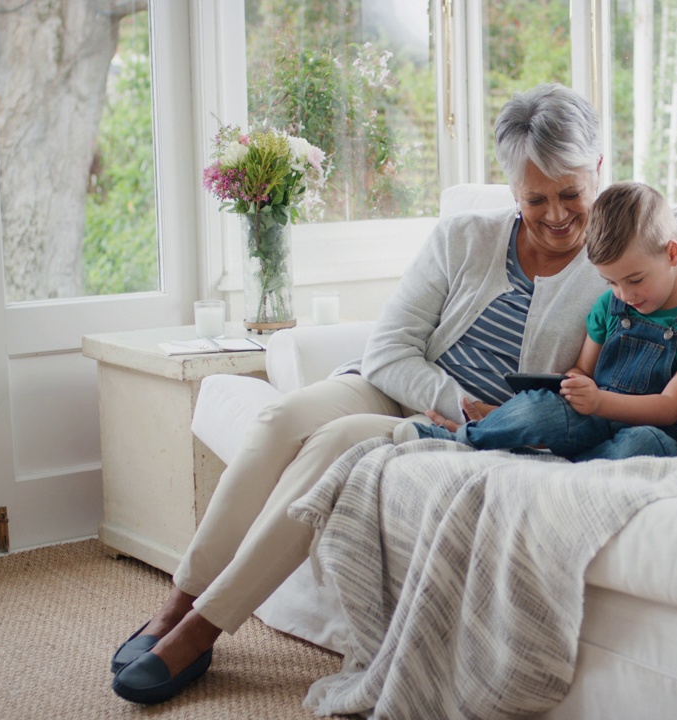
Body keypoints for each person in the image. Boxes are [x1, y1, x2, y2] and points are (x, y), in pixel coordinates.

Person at [110, 83, 608, 705]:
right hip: (394, 386)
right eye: (537, 199)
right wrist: (454, 396)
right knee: (279, 419)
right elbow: (389, 346)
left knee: (332, 448)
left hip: (462, 436)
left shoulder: (613, 266)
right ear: (513, 190)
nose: (557, 214)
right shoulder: (463, 237)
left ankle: (200, 631)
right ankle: (177, 603)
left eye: (572, 194)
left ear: (598, 171)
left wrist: (474, 419)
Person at [406, 181, 677, 461]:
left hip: (652, 431)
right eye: (612, 282)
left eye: (634, 280)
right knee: (539, 407)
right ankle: (458, 439)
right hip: (592, 419)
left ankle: (561, 466)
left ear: (672, 254)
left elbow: (670, 407)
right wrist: (569, 385)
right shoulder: (611, 306)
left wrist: (599, 400)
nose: (624, 294)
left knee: (642, 443)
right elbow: (582, 370)